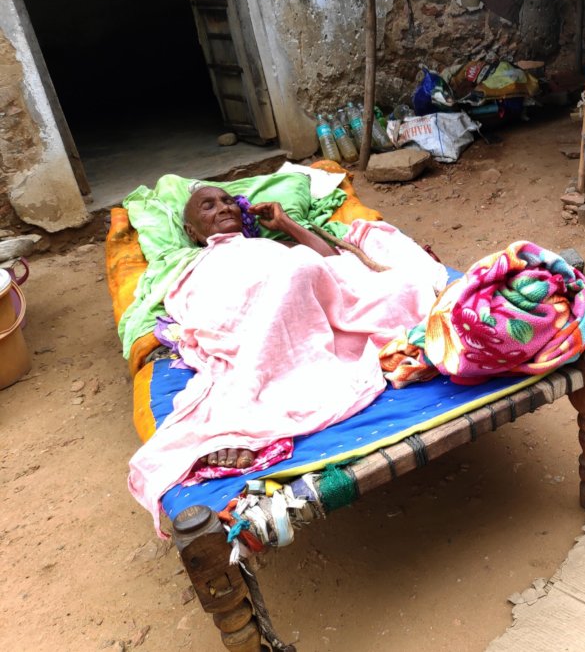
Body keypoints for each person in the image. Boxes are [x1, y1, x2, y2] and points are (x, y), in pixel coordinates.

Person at [129, 184, 448, 534]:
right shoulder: (193, 269)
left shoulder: (271, 245)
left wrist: (286, 225)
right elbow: (205, 315)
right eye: (208, 206)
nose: (223, 207)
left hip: (316, 307)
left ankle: (260, 389)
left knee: (394, 283)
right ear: (192, 232)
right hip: (257, 322)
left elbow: (330, 264)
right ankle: (239, 413)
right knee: (296, 270)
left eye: (228, 201)